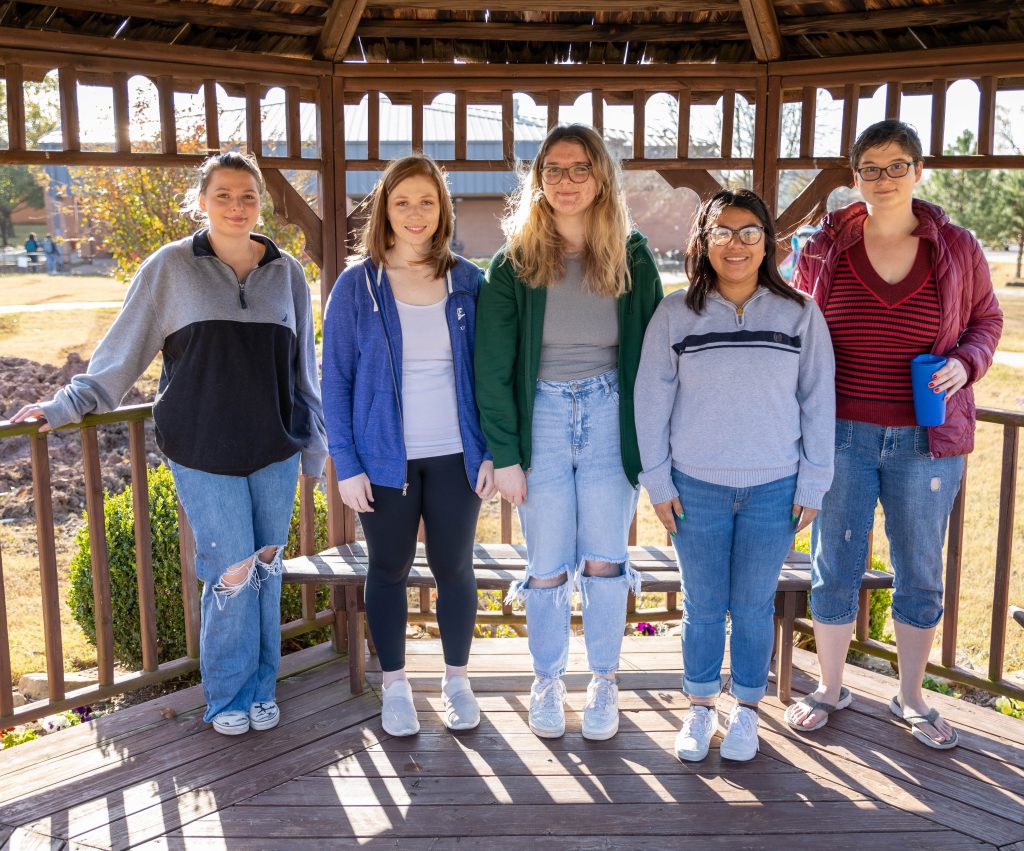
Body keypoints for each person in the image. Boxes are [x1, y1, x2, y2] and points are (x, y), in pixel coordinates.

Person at [10, 152, 327, 737]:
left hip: (275, 448)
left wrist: (314, 446)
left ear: (262, 204)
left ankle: (263, 686)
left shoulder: (286, 274)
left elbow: (303, 368)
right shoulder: (170, 268)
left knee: (266, 565)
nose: (237, 206)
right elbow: (121, 353)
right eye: (224, 195)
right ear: (201, 201)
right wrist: (66, 405)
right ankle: (227, 696)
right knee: (230, 571)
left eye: (248, 196)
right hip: (201, 449)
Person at [786, 120, 1003, 749]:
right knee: (834, 565)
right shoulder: (823, 248)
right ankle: (830, 688)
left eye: (896, 165)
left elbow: (987, 320)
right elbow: (797, 328)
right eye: (871, 168)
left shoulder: (956, 246)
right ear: (855, 176)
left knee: (919, 569)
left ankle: (909, 698)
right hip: (840, 436)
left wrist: (966, 364)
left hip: (925, 443)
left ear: (918, 170)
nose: (883, 178)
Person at [475, 124, 663, 741]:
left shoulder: (630, 256)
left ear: (601, 175)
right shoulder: (514, 263)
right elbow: (493, 368)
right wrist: (506, 454)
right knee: (548, 562)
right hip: (543, 417)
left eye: (579, 168)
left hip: (612, 413)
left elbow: (655, 358)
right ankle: (549, 678)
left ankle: (604, 680)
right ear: (538, 180)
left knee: (607, 559)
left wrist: (651, 445)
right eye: (552, 170)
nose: (566, 181)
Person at [635, 188, 835, 762]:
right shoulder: (675, 313)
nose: (736, 244)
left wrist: (812, 480)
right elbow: (650, 402)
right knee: (701, 604)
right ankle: (700, 709)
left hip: (774, 488)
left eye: (749, 232)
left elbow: (819, 401)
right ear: (704, 240)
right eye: (722, 231)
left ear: (768, 242)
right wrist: (659, 484)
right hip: (695, 488)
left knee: (751, 605)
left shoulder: (799, 312)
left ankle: (746, 712)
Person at [321, 154, 495, 737]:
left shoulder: (469, 281)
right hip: (383, 460)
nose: (415, 213)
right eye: (402, 202)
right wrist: (346, 464)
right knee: (389, 568)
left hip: (455, 456)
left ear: (443, 207)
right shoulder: (357, 286)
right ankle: (394, 686)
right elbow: (335, 380)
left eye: (427, 201)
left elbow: (491, 375)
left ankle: (456, 681)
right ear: (385, 211)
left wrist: (491, 450)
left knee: (455, 568)